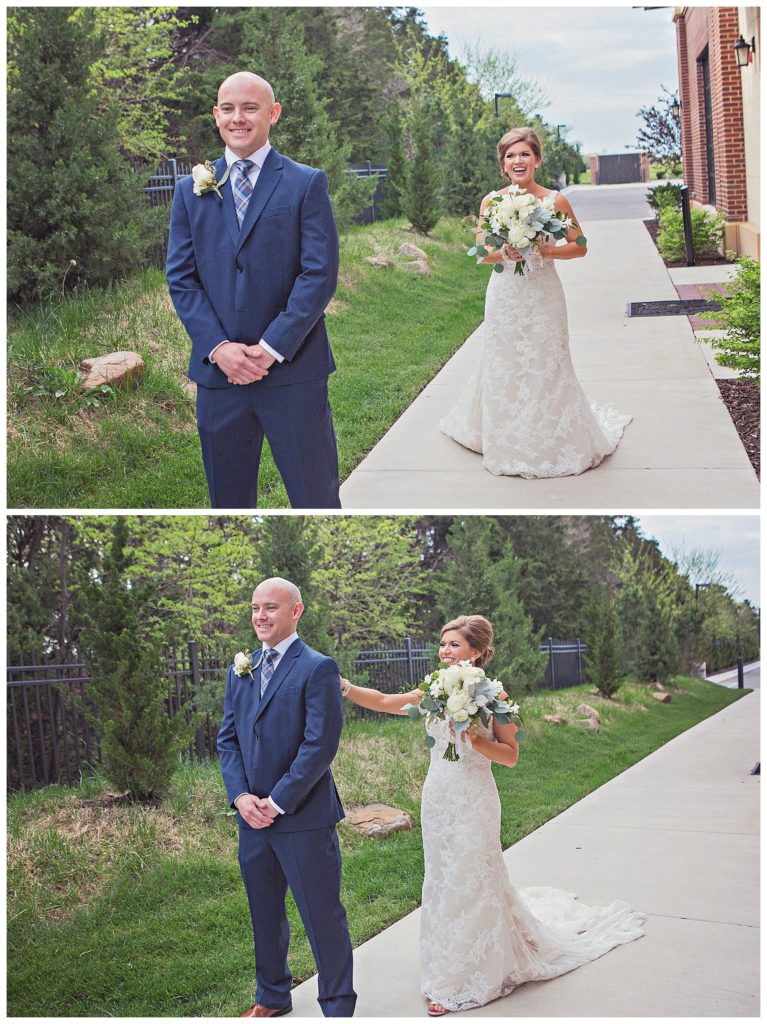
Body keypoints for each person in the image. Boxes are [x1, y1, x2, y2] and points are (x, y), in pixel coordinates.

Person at [341, 614, 643, 1016]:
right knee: (444, 880)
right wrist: (344, 687)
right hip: (438, 798)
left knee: (472, 879)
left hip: (475, 800)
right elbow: (382, 701)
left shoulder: (494, 698)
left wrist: (476, 740)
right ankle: (446, 964)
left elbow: (511, 756)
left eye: (454, 645)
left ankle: (465, 980)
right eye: (443, 643)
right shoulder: (432, 690)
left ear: (478, 652)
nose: (444, 651)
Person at [167, 72, 341, 509]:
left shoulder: (305, 182)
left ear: (273, 113)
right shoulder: (191, 190)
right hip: (219, 376)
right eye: (228, 108)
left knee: (316, 499)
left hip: (292, 371)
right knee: (228, 504)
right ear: (216, 115)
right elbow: (182, 278)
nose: (238, 118)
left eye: (250, 108)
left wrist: (271, 346)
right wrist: (218, 346)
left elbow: (318, 274)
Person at [440, 128, 631, 478]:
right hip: (505, 296)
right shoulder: (491, 203)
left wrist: (546, 249)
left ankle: (553, 440)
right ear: (502, 165)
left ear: (537, 160)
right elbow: (483, 255)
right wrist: (504, 251)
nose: (518, 161)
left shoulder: (554, 201)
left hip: (543, 294)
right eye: (510, 156)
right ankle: (507, 439)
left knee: (548, 362)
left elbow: (582, 243)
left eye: (525, 154)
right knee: (506, 363)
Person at [218, 577, 356, 1018]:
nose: (261, 616)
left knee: (322, 917)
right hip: (251, 819)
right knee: (264, 915)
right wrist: (241, 797)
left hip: (301, 817)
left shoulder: (318, 667)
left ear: (296, 611)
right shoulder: (241, 670)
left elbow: (320, 745)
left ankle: (336, 1005)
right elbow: (228, 741)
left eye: (271, 608)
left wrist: (275, 802)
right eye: (256, 607)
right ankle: (272, 996)